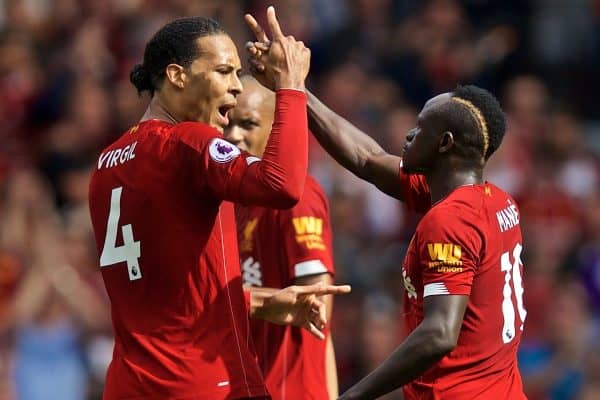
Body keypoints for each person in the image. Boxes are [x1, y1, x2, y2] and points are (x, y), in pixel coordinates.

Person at [244, 22, 527, 397]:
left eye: (420, 127)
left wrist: (353, 395)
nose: (408, 134)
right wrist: (293, 88)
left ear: (444, 144)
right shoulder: (494, 200)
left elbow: (440, 333)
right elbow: (367, 158)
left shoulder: (449, 219)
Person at [88, 8, 349, 400]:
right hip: (203, 382)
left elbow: (169, 295)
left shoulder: (106, 164)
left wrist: (258, 302)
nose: (238, 87)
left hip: (129, 384)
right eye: (224, 72)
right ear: (177, 76)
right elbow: (282, 185)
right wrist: (291, 86)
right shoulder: (186, 143)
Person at [224, 75, 339, 400]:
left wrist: (238, 301)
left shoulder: (297, 198)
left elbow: (318, 307)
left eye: (248, 123)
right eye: (228, 121)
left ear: (277, 129)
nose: (233, 135)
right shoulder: (231, 202)